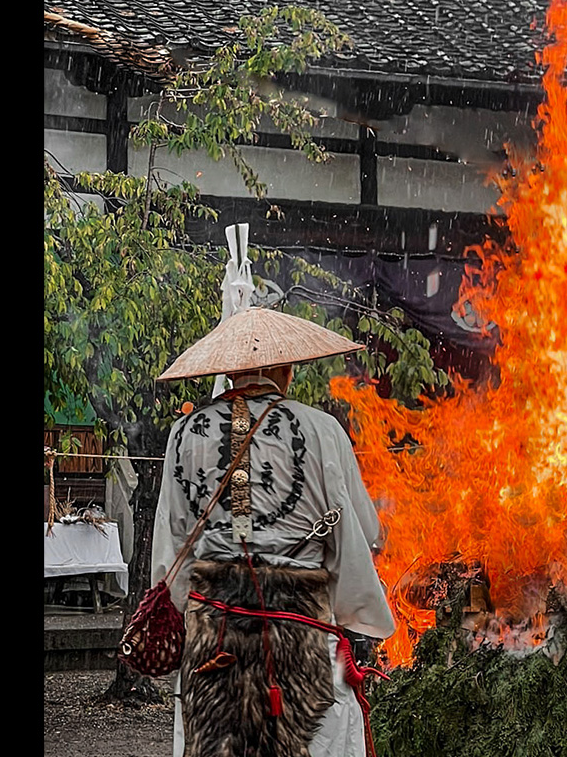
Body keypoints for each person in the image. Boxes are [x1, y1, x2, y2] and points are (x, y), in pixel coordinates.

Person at [150, 306, 396, 757]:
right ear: (284, 368)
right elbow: (362, 533)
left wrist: (181, 613)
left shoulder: (185, 433)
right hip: (301, 643)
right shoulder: (322, 430)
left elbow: (173, 549)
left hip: (215, 642)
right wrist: (356, 611)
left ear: (227, 370)